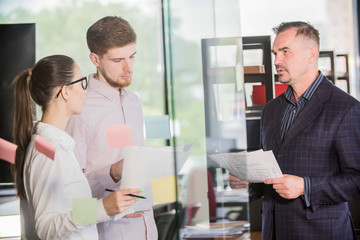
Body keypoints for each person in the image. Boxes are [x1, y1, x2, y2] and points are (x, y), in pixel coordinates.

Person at [229, 21, 360, 240]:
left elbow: (357, 180)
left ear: (311, 54)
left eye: (285, 52)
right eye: (275, 53)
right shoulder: (271, 110)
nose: (277, 61)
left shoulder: (345, 108)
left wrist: (305, 187)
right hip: (273, 231)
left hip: (322, 234)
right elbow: (271, 173)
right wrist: (248, 182)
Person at [12, 55, 141, 240]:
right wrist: (103, 208)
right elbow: (46, 226)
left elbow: (67, 211)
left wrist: (106, 206)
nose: (85, 91)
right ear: (65, 92)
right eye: (82, 83)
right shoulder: (46, 150)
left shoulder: (55, 146)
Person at [65, 16, 158, 239]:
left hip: (147, 226)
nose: (128, 68)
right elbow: (69, 189)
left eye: (132, 57)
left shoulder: (134, 101)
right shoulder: (79, 109)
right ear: (95, 59)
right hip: (109, 231)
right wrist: (112, 172)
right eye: (118, 60)